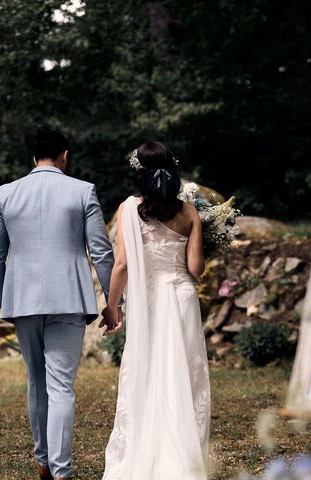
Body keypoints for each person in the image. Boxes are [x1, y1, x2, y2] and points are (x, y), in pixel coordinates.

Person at [0, 126, 118, 480]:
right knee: (60, 387)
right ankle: (61, 472)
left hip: (23, 302)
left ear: (33, 157)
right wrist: (113, 303)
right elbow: (102, 253)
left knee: (36, 382)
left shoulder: (6, 193)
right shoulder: (82, 191)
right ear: (64, 155)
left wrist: (4, 298)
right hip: (69, 300)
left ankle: (43, 461)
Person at [102, 141, 210, 480]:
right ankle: (183, 457)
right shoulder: (189, 212)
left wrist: (112, 305)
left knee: (147, 372)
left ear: (138, 173)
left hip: (147, 301)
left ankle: (143, 451)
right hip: (179, 298)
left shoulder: (127, 210)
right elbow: (195, 268)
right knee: (183, 373)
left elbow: (121, 265)